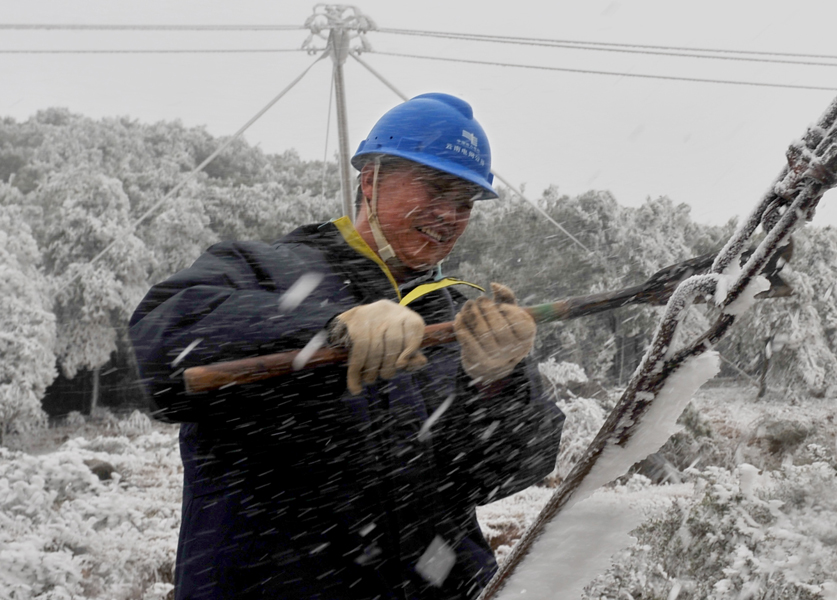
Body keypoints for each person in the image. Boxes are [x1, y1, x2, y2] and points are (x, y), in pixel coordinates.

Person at [129, 93, 565, 600]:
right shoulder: (267, 271)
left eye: (464, 201)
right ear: (370, 179)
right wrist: (325, 328)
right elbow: (161, 351)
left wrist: (499, 383)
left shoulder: (456, 320)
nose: (448, 213)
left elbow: (505, 474)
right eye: (434, 187)